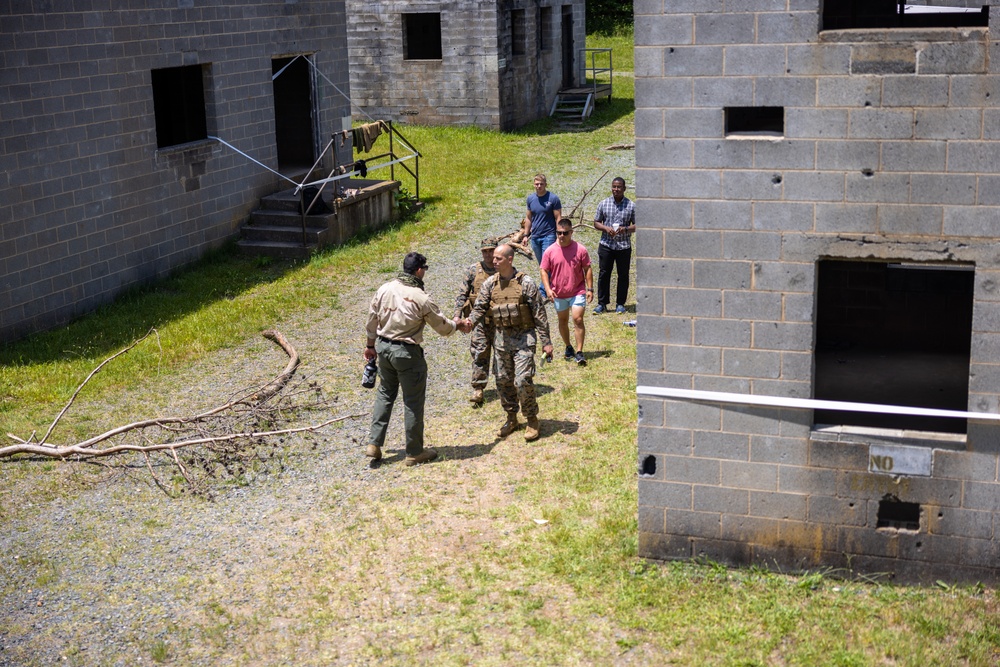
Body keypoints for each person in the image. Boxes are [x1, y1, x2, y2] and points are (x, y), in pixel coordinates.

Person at [364, 252, 471, 466]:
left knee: (385, 394)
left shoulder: (385, 288)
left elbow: (372, 318)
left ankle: (374, 443)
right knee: (412, 402)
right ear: (419, 270)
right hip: (407, 353)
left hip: (384, 348)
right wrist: (458, 325)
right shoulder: (420, 297)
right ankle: (414, 451)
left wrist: (370, 345)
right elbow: (441, 326)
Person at [468, 243, 554, 442]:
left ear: (509, 259)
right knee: (503, 381)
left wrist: (546, 342)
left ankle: (532, 419)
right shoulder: (490, 283)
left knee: (522, 380)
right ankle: (511, 418)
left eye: (498, 258)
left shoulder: (527, 283)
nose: (493, 261)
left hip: (524, 339)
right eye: (493, 258)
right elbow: (479, 307)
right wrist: (468, 322)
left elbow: (539, 314)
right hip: (501, 341)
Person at [539, 219, 593, 367]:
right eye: (559, 233)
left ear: (571, 232)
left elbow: (587, 268)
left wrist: (590, 289)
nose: (562, 236)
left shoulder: (580, 249)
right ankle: (568, 346)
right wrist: (548, 289)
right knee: (562, 321)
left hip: (577, 290)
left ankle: (579, 351)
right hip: (559, 293)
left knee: (578, 319)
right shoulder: (550, 251)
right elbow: (544, 270)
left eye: (565, 233)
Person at [455, 237, 499, 406]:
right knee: (479, 352)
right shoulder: (473, 270)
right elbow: (462, 295)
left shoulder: (502, 269)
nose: (488, 254)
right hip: (479, 321)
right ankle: (478, 388)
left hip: (500, 320)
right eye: (485, 251)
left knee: (502, 354)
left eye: (491, 251)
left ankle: (504, 385)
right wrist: (457, 316)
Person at [593, 176, 636, 314]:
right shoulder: (604, 204)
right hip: (606, 244)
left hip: (623, 246)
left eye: (618, 187)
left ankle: (620, 304)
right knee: (604, 273)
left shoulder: (631, 205)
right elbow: (596, 222)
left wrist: (626, 229)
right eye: (614, 187)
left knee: (623, 275)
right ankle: (602, 303)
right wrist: (606, 228)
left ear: (624, 188)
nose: (616, 189)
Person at [523, 173, 562, 297]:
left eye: (541, 184)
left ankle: (543, 290)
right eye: (536, 184)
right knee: (542, 264)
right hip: (535, 236)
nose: (539, 186)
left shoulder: (553, 199)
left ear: (545, 184)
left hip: (549, 235)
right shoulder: (530, 199)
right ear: (534, 185)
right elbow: (528, 218)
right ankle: (551, 286)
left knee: (546, 264)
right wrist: (525, 235)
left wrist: (559, 234)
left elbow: (558, 217)